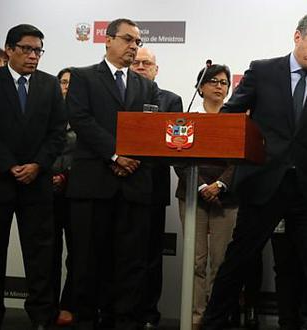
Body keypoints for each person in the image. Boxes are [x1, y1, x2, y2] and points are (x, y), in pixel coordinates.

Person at [201, 12, 307, 330]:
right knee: (238, 262)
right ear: (298, 37)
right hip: (262, 184)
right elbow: (231, 115)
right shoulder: (263, 71)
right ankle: (211, 324)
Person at [66, 18, 160, 330]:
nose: (134, 46)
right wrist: (116, 155)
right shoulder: (83, 78)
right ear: (108, 40)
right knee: (88, 261)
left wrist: (132, 158)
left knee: (130, 263)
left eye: (138, 42)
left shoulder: (147, 86)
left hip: (134, 186)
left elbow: (151, 131)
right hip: (94, 184)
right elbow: (80, 119)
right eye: (128, 39)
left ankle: (123, 320)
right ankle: (85, 319)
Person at [0, 24, 66, 330]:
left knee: (41, 255)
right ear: (9, 49)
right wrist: (9, 165)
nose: (33, 56)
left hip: (37, 182)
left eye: (38, 51)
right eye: (27, 49)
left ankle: (42, 315)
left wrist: (37, 165)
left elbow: (58, 133)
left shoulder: (48, 85)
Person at [174, 64, 238, 329]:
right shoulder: (187, 117)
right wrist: (201, 186)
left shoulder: (236, 118)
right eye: (213, 81)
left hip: (227, 196)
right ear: (200, 87)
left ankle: (215, 320)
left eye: (224, 82)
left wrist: (220, 184)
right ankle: (195, 320)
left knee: (221, 263)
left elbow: (240, 160)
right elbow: (178, 156)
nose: (219, 86)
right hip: (192, 194)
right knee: (195, 261)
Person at [130, 47, 182, 329]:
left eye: (146, 63)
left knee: (150, 257)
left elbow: (172, 144)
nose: (140, 66)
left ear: (156, 69)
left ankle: (148, 313)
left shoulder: (171, 100)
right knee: (120, 253)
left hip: (152, 187)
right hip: (119, 183)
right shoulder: (121, 94)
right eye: (136, 62)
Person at [51, 67, 76, 327]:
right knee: (48, 253)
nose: (67, 86)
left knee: (78, 253)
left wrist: (66, 177)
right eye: (64, 82)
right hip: (45, 191)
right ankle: (47, 306)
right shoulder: (45, 113)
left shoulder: (85, 116)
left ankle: (69, 303)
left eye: (72, 82)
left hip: (77, 192)